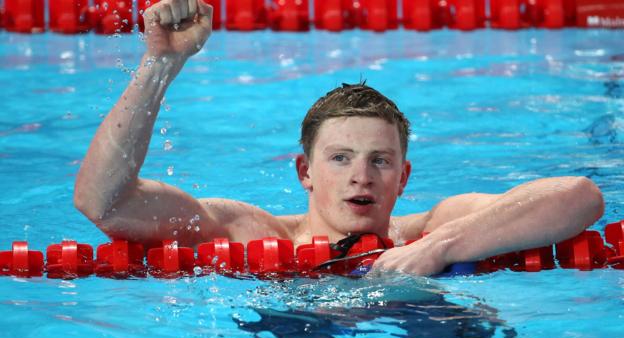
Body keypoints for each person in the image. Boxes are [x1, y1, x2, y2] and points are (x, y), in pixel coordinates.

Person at [73, 0, 604, 276]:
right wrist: (159, 65)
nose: (361, 175)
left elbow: (581, 196)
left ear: (404, 177)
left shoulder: (434, 229)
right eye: (341, 157)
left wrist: (441, 249)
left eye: (380, 160)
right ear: (305, 172)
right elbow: (104, 204)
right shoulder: (248, 233)